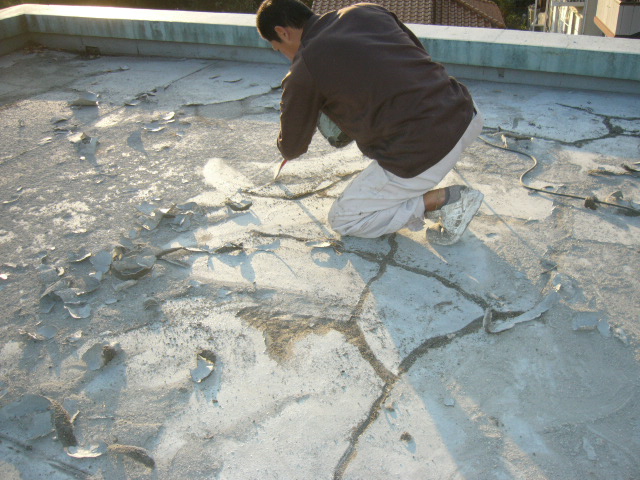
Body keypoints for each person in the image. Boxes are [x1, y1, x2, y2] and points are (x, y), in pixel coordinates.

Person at [256, 0, 485, 245]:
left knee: (345, 219)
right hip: (464, 112)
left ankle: (445, 201)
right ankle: (431, 176)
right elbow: (417, 54)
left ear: (283, 32)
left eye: (277, 48)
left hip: (425, 150)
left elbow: (292, 147)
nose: (284, 55)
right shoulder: (366, 10)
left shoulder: (304, 69)